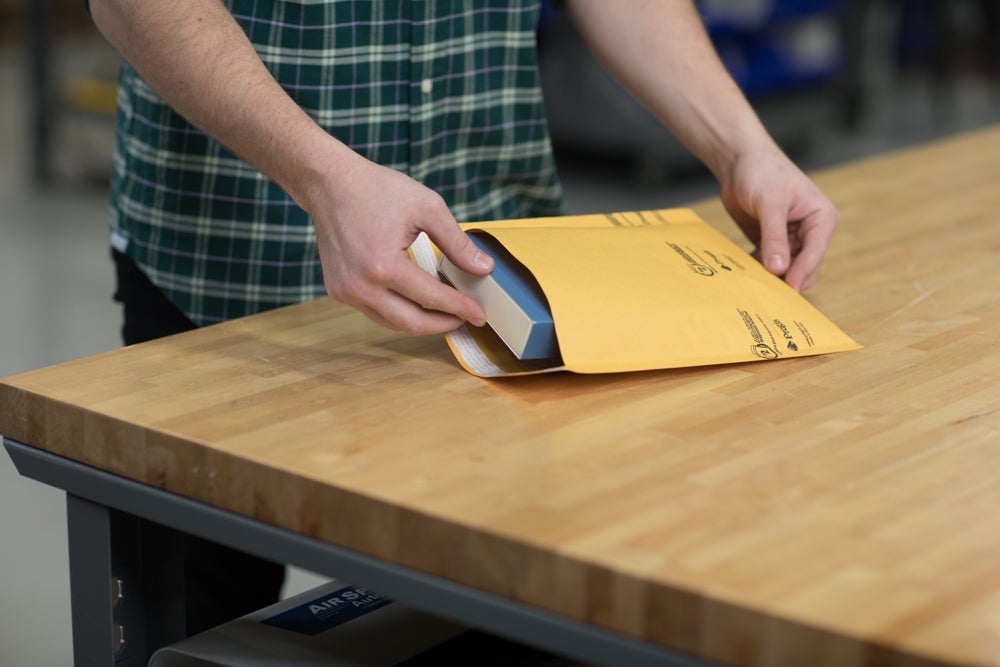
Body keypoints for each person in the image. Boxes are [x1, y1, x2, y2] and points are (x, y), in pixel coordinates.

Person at [86, 0, 838, 638]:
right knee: (200, 625)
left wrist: (743, 146)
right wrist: (321, 177)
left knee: (494, 619)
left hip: (499, 291)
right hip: (235, 274)